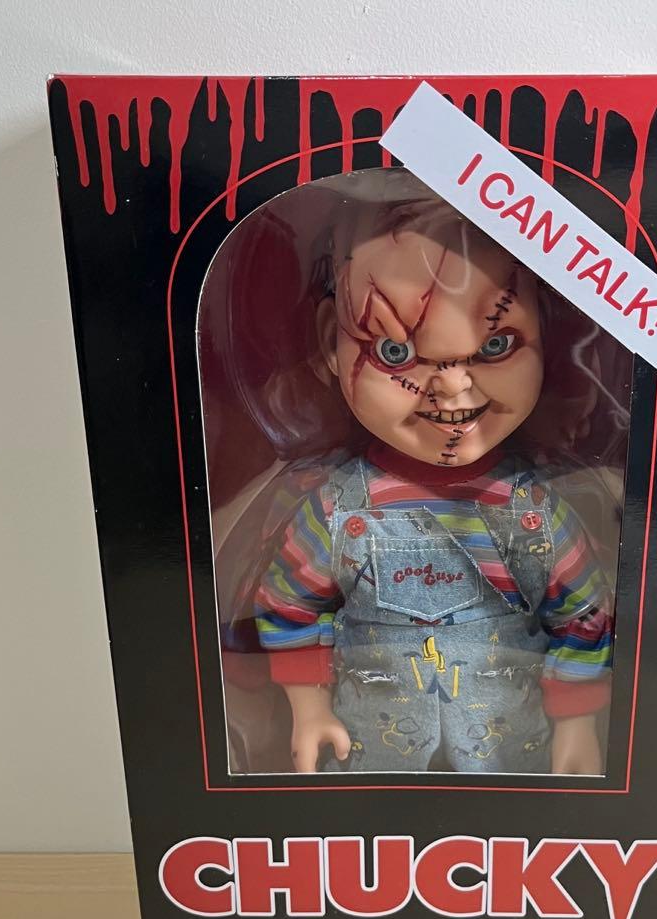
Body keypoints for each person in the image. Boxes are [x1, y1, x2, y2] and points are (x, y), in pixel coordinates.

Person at [251, 177, 616, 775]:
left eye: (495, 345)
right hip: (372, 756)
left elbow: (581, 616)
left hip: (508, 758)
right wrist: (307, 708)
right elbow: (288, 603)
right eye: (395, 352)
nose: (451, 388)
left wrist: (576, 726)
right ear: (329, 342)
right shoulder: (339, 508)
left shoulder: (533, 513)